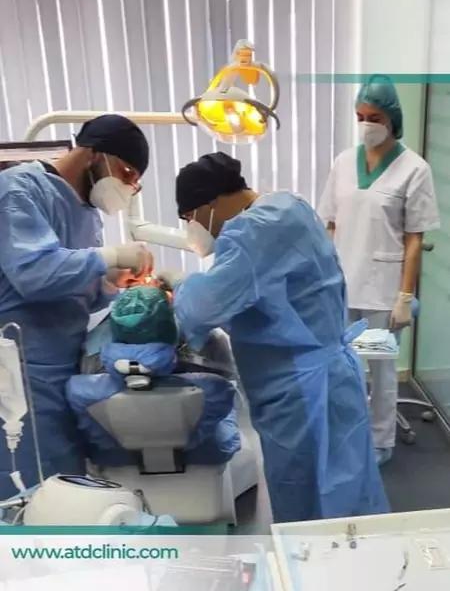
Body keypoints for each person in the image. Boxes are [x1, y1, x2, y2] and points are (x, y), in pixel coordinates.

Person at [161, 151, 389, 523]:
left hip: (301, 394)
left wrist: (177, 284)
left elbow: (204, 306)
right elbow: (262, 294)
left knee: (305, 502)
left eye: (189, 218)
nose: (192, 227)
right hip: (330, 377)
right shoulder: (289, 206)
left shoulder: (253, 232)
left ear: (210, 204)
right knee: (348, 495)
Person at [0, 114, 154, 498]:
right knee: (29, 485)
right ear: (92, 154)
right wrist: (111, 255)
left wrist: (111, 282)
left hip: (59, 363)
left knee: (65, 480)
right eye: (126, 171)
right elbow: (33, 273)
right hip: (20, 367)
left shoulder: (86, 212)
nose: (128, 185)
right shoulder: (17, 191)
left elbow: (75, 288)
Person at [318, 75, 440, 466]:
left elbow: (414, 238)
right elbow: (330, 224)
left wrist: (404, 296)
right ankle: (347, 432)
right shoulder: (342, 163)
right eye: (360, 115)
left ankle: (379, 442)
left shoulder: (414, 169)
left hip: (381, 291)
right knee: (342, 369)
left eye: (373, 116)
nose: (366, 123)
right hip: (342, 286)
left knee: (382, 373)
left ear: (392, 119)